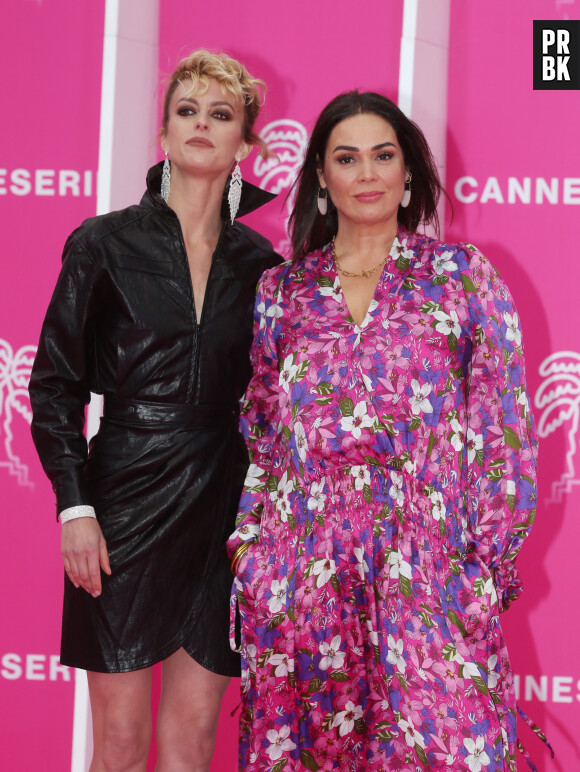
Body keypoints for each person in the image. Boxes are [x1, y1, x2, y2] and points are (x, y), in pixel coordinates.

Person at [228, 91, 539, 771]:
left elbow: (502, 432)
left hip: (430, 576)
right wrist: (252, 553)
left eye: (382, 155)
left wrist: (485, 570)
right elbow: (264, 436)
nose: (366, 173)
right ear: (321, 177)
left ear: (406, 175)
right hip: (305, 581)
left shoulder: (461, 279)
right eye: (347, 157)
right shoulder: (283, 292)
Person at [29, 50, 280, 771]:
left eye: (221, 115)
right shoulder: (102, 244)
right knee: (119, 743)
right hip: (123, 502)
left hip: (224, 511)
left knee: (193, 741)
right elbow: (53, 387)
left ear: (245, 143)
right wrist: (75, 508)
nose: (202, 124)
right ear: (164, 132)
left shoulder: (260, 267)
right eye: (187, 110)